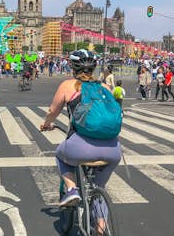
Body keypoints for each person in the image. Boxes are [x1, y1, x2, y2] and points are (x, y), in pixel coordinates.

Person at [40, 50, 121, 207]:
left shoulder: (67, 86)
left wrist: (46, 124)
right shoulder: (104, 87)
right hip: (113, 149)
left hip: (81, 147)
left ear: (73, 67)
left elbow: (52, 112)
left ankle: (71, 189)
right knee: (98, 191)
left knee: (59, 155)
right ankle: (101, 229)